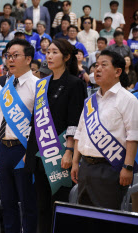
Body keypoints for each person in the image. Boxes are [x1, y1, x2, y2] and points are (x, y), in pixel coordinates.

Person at [25, 38, 87, 233]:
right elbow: (36, 119)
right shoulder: (42, 84)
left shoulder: (75, 84)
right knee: (41, 206)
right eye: (48, 52)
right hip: (39, 152)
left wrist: (69, 151)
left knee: (58, 205)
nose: (49, 56)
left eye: (54, 52)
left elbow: (74, 122)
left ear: (67, 57)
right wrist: (30, 148)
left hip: (59, 153)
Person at [71, 49, 138, 211]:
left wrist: (128, 167)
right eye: (96, 65)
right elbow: (80, 132)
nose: (97, 69)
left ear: (118, 71)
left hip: (111, 168)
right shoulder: (90, 101)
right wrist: (75, 162)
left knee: (107, 220)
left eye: (103, 65)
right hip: (86, 167)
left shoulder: (128, 99)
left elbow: (133, 136)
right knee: (85, 217)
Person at [0, 39, 39, 233]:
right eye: (8, 55)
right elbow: (0, 118)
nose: (10, 59)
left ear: (28, 59)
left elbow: (39, 123)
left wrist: (32, 151)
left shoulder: (38, 85)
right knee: (7, 201)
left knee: (27, 202)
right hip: (4, 148)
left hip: (24, 149)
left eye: (15, 55)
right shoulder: (7, 84)